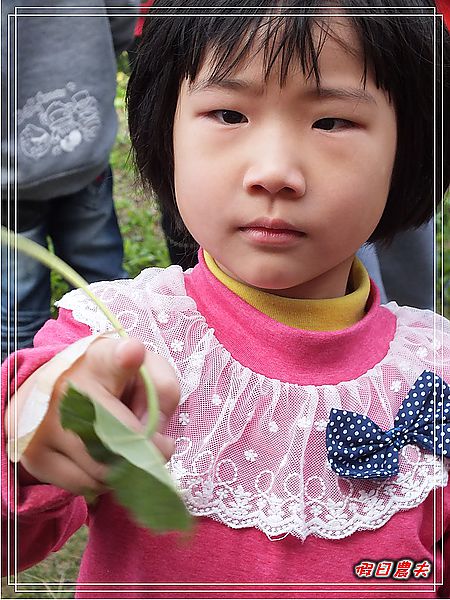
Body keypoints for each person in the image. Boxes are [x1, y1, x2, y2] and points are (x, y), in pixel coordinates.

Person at [2, 1, 450, 597]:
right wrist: (33, 437)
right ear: (165, 128)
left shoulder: (432, 376)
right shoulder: (119, 347)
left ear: (413, 147)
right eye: (228, 112)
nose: (273, 172)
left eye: (332, 122)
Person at [0, 0, 138, 360]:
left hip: (11, 177)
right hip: (84, 152)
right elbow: (122, 15)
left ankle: (26, 399)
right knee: (104, 287)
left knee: (18, 307)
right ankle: (119, 372)